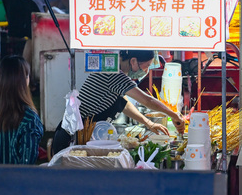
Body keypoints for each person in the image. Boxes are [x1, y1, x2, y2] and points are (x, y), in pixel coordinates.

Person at [52, 50, 185, 154]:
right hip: (71, 139)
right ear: (133, 61)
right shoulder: (114, 74)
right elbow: (147, 100)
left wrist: (149, 123)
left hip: (83, 138)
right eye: (146, 66)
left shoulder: (115, 73)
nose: (146, 71)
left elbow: (123, 104)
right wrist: (174, 115)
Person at [0, 56, 44, 179]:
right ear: (24, 81)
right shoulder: (29, 119)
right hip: (14, 188)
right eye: (27, 76)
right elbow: (28, 160)